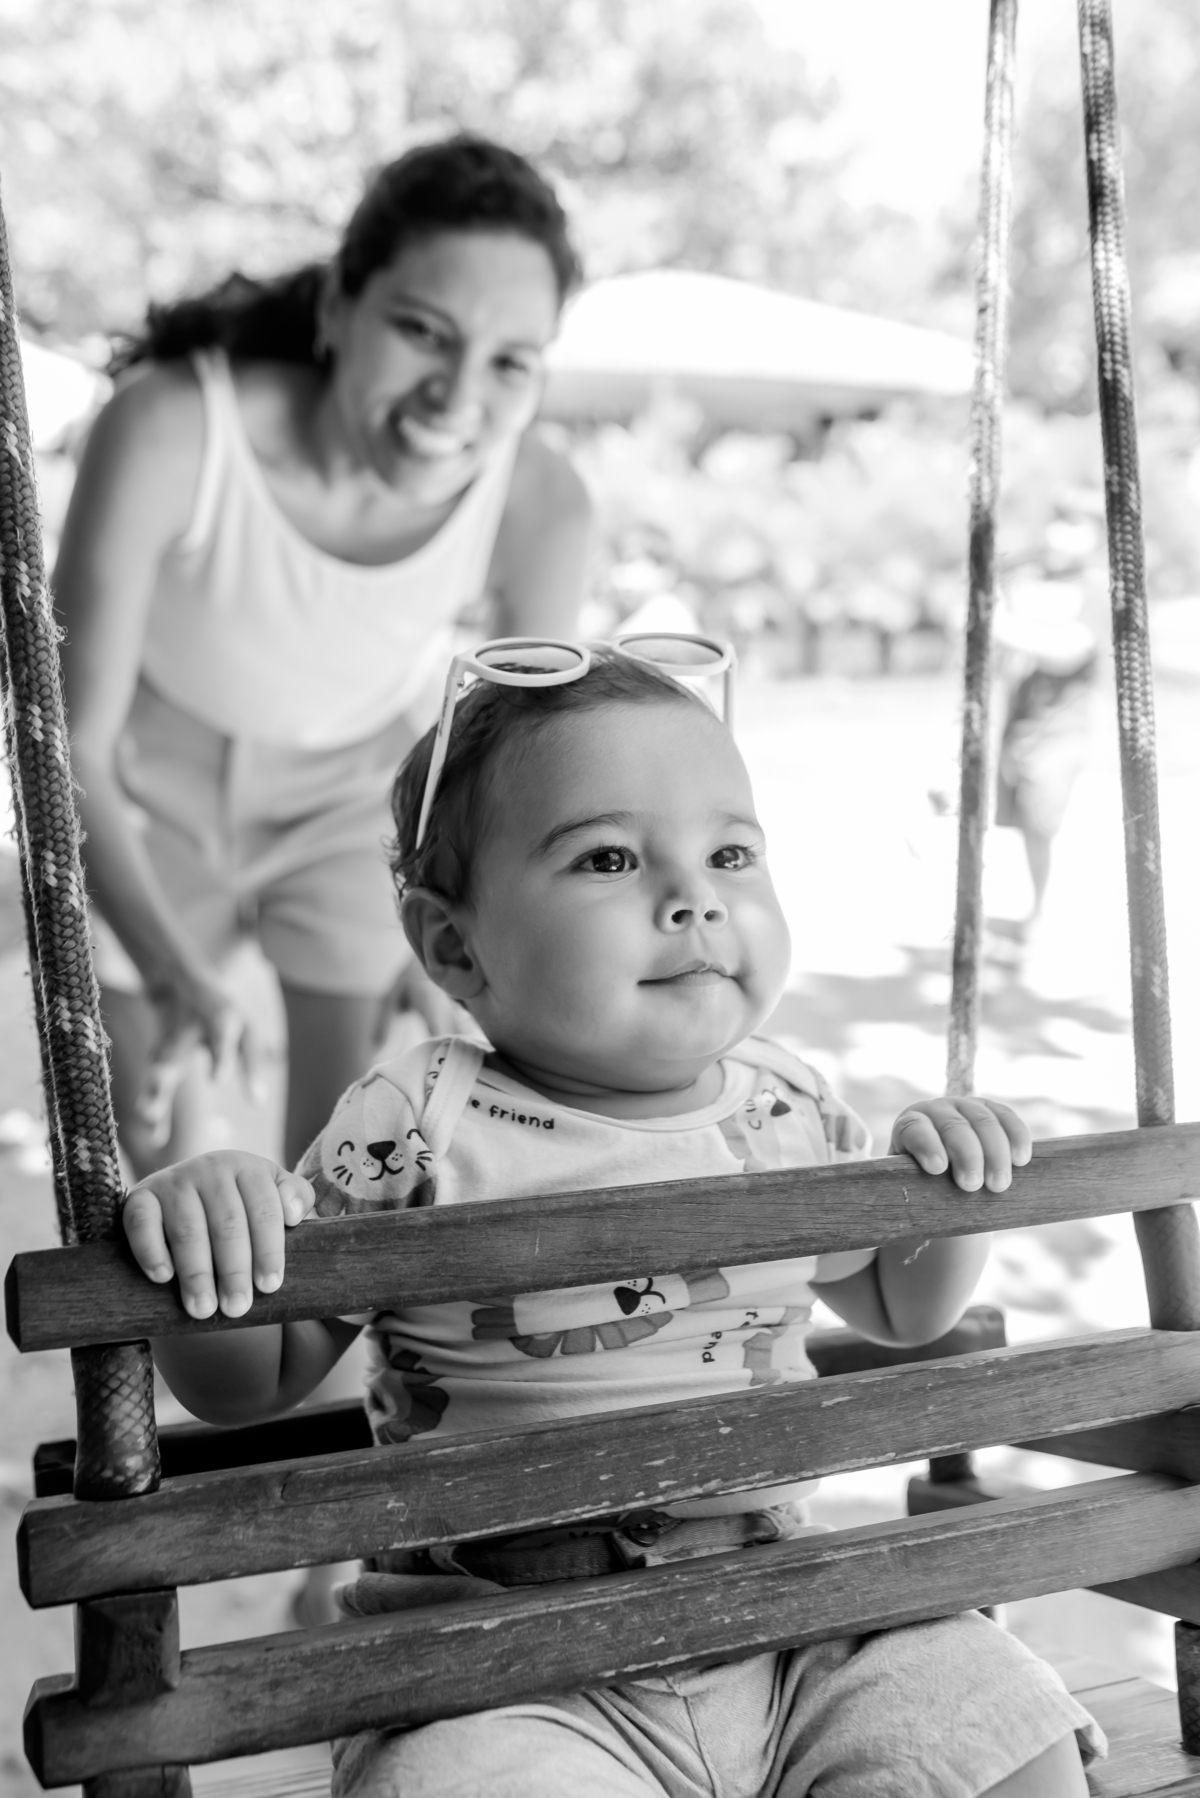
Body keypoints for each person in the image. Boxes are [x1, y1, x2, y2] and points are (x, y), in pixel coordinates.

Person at [122, 642, 1100, 1797]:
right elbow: (251, 1380)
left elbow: (897, 1304)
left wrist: (948, 1184)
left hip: (792, 1614)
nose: (693, 897)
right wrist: (217, 1222)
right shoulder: (418, 1118)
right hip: (496, 1653)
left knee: (996, 1722)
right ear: (453, 944)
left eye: (730, 853)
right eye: (610, 857)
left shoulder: (788, 1102)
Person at [55, 135, 593, 1180]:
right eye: (421, 331)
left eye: (509, 362)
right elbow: (73, 744)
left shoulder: (539, 499)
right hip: (143, 794)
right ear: (339, 307)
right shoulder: (173, 427)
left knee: (339, 1155)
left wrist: (452, 932)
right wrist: (169, 970)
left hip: (351, 797)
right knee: (153, 1144)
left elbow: (542, 774)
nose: (455, 398)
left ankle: (312, 1350)